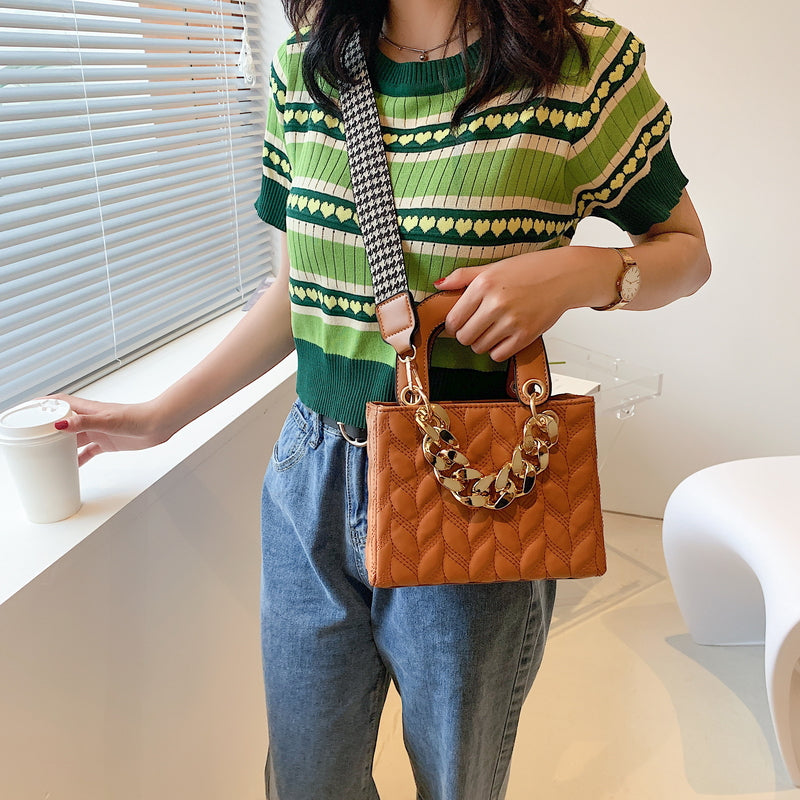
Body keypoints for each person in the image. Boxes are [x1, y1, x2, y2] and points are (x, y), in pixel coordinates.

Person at [54, 0, 711, 797]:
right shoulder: (305, 68)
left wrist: (579, 274)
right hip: (311, 477)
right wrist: (160, 417)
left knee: (458, 779)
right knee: (307, 781)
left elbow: (687, 254)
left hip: (473, 480)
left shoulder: (577, 67)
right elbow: (301, 287)